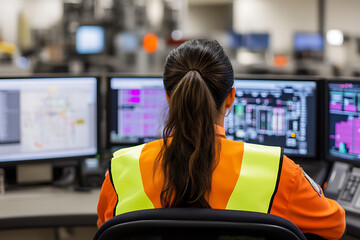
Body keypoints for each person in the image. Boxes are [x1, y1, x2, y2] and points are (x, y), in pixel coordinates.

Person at [97, 39, 345, 239]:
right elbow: (335, 225)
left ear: (169, 97)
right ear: (230, 98)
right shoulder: (279, 172)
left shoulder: (120, 170)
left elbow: (105, 227)